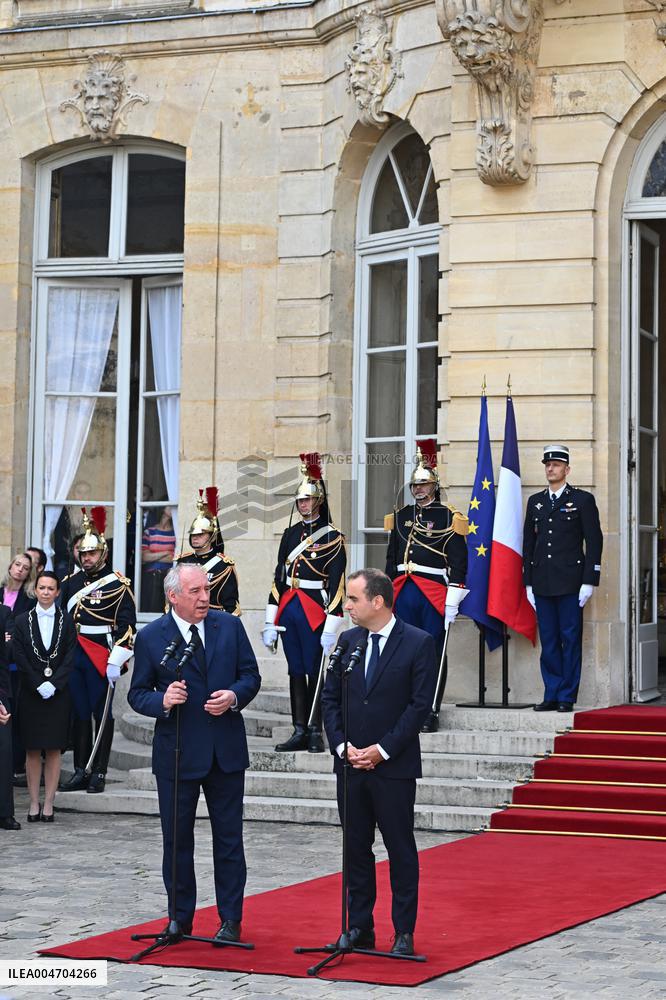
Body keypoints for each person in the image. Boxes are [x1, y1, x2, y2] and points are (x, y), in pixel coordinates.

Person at [128, 563, 261, 942]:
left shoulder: (229, 627)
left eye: (207, 589)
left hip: (225, 752)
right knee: (176, 840)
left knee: (229, 839)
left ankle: (231, 920)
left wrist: (234, 696)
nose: (205, 597)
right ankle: (179, 920)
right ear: (173, 596)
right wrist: (163, 701)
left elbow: (251, 675)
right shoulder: (152, 637)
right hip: (177, 752)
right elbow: (138, 693)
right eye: (196, 591)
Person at [321, 568, 436, 956]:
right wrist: (343, 747)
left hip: (393, 767)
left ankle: (403, 930)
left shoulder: (418, 643)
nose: (347, 606)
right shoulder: (347, 641)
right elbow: (330, 700)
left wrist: (382, 750)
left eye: (353, 599)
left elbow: (419, 707)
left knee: (399, 848)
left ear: (378, 602)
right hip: (350, 765)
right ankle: (359, 926)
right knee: (355, 847)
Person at [262, 453, 346, 753]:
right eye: (300, 501)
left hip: (314, 609)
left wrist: (332, 623)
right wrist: (269, 620)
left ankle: (315, 729)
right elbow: (279, 577)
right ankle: (299, 728)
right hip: (290, 609)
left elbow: (338, 584)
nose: (303, 505)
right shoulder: (290, 534)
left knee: (315, 669)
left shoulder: (333, 537)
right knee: (295, 670)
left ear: (319, 502)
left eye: (308, 501)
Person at [385, 440, 469, 732]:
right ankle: (407, 706)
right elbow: (391, 559)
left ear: (434, 485)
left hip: (433, 592)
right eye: (415, 485)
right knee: (402, 651)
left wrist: (453, 599)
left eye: (424, 484)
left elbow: (459, 562)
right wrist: (385, 596)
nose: (418, 490)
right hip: (403, 590)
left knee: (433, 651)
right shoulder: (401, 517)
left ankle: (430, 708)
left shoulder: (449, 517)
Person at [59, 508, 136, 793]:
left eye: (92, 553)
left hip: (101, 653)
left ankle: (99, 772)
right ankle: (81, 768)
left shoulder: (118, 584)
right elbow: (63, 620)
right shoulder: (71, 584)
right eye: (83, 554)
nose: (87, 558)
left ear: (103, 554)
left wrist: (118, 657)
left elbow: (128, 625)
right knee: (79, 712)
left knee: (101, 712)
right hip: (75, 653)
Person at [523, 445, 603, 713]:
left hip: (571, 583)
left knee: (570, 639)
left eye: (556, 464)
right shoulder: (535, 501)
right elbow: (529, 543)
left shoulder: (582, 500)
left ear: (567, 469)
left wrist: (589, 580)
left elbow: (594, 541)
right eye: (547, 464)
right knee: (549, 640)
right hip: (543, 582)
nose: (550, 468)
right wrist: (528, 582)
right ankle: (551, 692)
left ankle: (567, 695)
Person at [13, 572, 77, 821]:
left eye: (51, 588)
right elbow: (19, 655)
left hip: (58, 694)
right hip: (31, 692)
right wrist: (38, 683)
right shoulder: (21, 620)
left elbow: (70, 656)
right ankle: (33, 802)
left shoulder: (68, 621)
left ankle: (49, 802)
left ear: (58, 592)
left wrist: (55, 684)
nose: (46, 592)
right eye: (42, 587)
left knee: (53, 749)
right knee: (32, 749)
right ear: (35, 590)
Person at [1, 553, 37, 784]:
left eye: (25, 567)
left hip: (15, 665)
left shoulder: (30, 598)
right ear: (10, 566)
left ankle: (15, 765)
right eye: (17, 565)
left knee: (12, 715)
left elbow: (22, 631)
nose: (20, 570)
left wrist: (8, 639)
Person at [178, 488, 240, 616]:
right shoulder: (183, 561)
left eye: (201, 534)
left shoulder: (223, 565)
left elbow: (230, 605)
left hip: (212, 619)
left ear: (211, 536)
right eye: (193, 534)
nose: (195, 537)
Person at [0, 607, 19, 830]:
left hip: (2, 691)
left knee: (4, 753)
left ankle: (5, 812)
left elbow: (7, 652)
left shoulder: (4, 614)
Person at [141, 506, 176, 613]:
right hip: (151, 576)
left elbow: (174, 558)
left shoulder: (175, 533)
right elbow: (144, 557)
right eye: (169, 506)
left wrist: (154, 556)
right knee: (151, 608)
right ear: (163, 509)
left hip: (170, 576)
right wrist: (166, 552)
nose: (172, 508)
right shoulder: (150, 532)